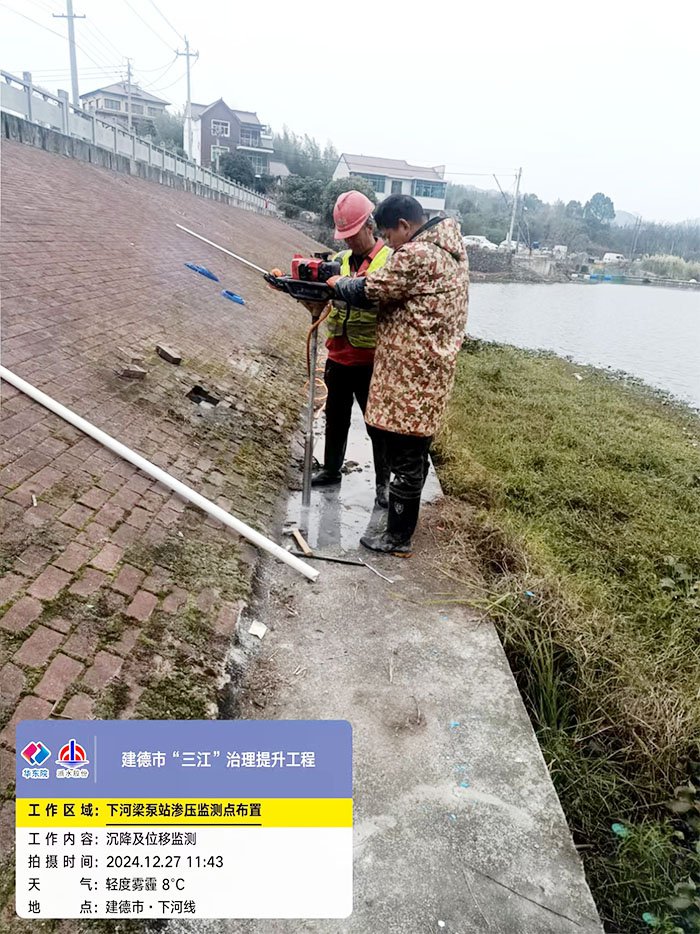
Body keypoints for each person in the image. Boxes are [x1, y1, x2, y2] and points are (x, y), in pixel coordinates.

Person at [326, 194, 469, 556]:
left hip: (412, 376)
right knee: (414, 455)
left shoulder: (418, 253)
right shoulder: (449, 251)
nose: (389, 243)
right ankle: (399, 530)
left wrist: (338, 283)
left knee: (405, 459)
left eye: (389, 235)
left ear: (404, 226)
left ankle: (397, 538)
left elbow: (369, 290)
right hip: (429, 372)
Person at [311, 190, 392, 507]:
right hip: (338, 355)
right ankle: (332, 470)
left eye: (352, 234)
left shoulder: (389, 261)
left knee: (377, 426)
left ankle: (383, 486)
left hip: (371, 359)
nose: (348, 241)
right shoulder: (341, 260)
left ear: (369, 227)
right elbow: (324, 293)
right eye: (344, 235)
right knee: (335, 418)